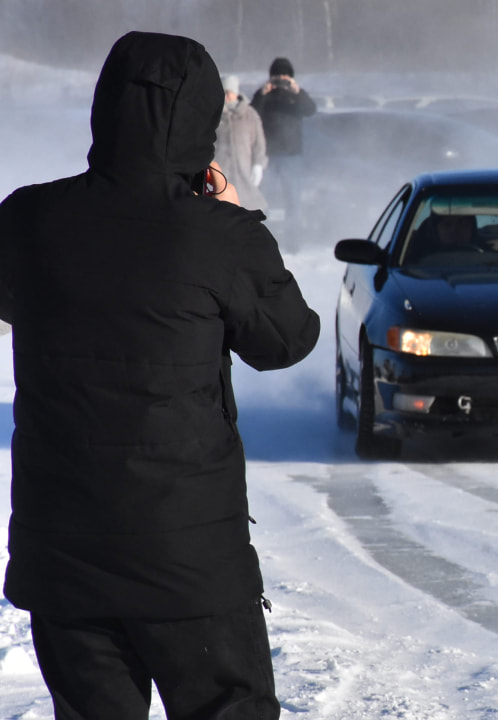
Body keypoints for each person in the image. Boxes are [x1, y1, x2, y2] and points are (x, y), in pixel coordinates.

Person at [0, 30, 320, 719]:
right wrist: (238, 219)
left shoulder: (28, 218)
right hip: (190, 564)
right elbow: (288, 339)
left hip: (65, 561)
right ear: (202, 121)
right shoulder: (218, 235)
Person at [250, 56, 316, 229]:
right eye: (277, 76)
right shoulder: (265, 95)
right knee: (265, 200)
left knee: (293, 200)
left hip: (291, 155)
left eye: (285, 77)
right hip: (268, 156)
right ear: (271, 77)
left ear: (291, 78)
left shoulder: (296, 95)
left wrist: (298, 92)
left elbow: (311, 110)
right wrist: (262, 94)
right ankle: (264, 239)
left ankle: (293, 241)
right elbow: (251, 114)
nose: (281, 80)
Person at [215, 74, 269, 212]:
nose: (226, 96)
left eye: (229, 92)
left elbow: (259, 143)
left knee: (248, 207)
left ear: (236, 92)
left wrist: (258, 164)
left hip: (244, 171)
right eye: (223, 92)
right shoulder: (213, 114)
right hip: (222, 173)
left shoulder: (250, 114)